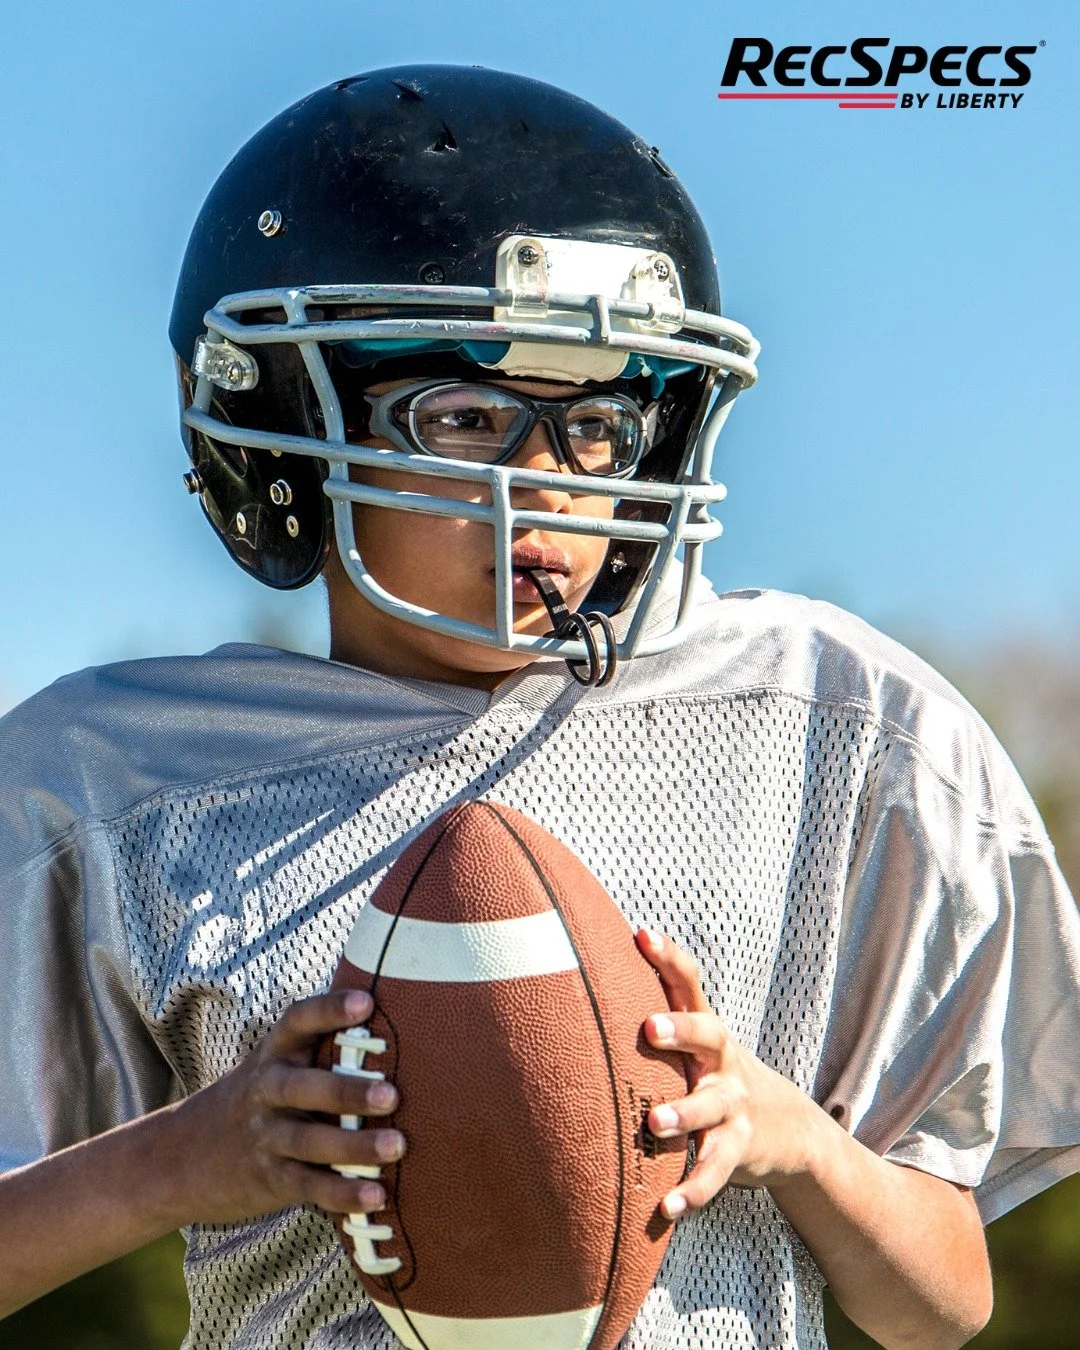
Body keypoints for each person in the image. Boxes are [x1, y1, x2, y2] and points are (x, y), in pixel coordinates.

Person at [1, 64, 1078, 1350]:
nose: (549, 486)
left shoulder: (836, 724)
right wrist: (184, 1157)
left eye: (601, 428)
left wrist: (799, 1141)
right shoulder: (111, 778)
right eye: (465, 415)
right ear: (278, 422)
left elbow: (943, 1311)